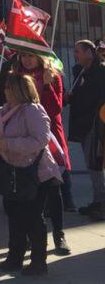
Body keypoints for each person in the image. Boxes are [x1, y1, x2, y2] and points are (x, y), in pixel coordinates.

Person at [0, 74, 64, 276]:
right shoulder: (6, 110)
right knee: (14, 215)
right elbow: (2, 136)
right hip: (14, 170)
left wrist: (10, 144)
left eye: (8, 88)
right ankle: (15, 257)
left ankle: (39, 262)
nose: (5, 91)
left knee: (32, 217)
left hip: (37, 172)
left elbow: (41, 140)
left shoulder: (32, 110)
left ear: (19, 90)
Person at [11, 52, 72, 254]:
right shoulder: (16, 77)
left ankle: (59, 235)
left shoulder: (52, 76)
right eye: (24, 56)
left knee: (53, 189)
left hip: (49, 138)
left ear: (40, 57)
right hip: (25, 139)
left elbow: (55, 108)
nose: (27, 60)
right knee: (28, 192)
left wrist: (46, 85)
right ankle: (31, 236)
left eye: (32, 56)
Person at [64, 40, 105, 221]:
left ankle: (101, 203)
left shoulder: (101, 72)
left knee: (96, 165)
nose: (75, 55)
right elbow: (78, 95)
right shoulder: (80, 72)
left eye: (78, 51)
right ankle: (98, 201)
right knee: (91, 166)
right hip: (83, 125)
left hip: (96, 126)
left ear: (90, 52)